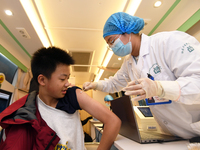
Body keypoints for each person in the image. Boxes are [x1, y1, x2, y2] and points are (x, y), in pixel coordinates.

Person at [83, 12, 200, 139]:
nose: (112, 47)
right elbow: (114, 83)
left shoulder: (168, 42)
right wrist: (94, 84)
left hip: (195, 127)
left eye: (112, 41)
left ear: (126, 31)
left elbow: (197, 81)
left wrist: (159, 88)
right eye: (109, 44)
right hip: (171, 133)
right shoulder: (129, 62)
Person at [0, 46, 121, 150]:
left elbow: (113, 121)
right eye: (63, 79)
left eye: (68, 78)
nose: (68, 83)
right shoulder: (29, 110)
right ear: (42, 80)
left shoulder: (73, 96)